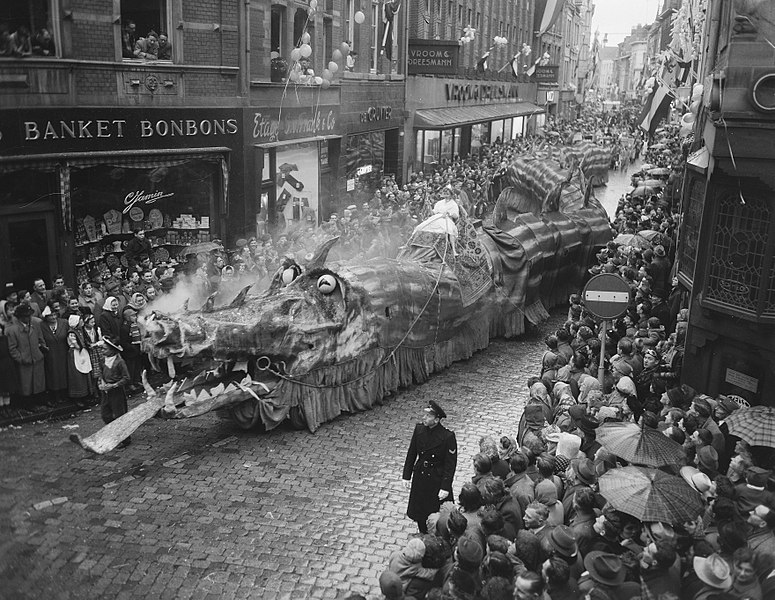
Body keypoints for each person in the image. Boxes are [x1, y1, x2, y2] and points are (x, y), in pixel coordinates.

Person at [402, 400, 457, 533]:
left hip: (436, 478)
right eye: (424, 415)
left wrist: (445, 486)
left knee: (435, 511)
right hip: (421, 475)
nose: (424, 418)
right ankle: (422, 531)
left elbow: (450, 464)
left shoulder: (447, 437)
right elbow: (412, 453)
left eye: (428, 416)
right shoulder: (419, 430)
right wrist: (406, 476)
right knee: (419, 511)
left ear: (437, 420)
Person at [6, 303, 47, 410]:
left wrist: (41, 351)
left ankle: (39, 402)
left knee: (38, 383)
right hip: (25, 362)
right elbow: (12, 348)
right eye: (25, 316)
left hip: (37, 359)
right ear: (20, 317)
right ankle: (28, 405)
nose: (28, 318)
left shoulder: (34, 326)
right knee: (26, 385)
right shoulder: (13, 330)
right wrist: (21, 359)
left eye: (29, 315)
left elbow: (40, 339)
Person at [98, 337, 131, 447]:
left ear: (112, 350)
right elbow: (101, 373)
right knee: (105, 414)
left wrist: (114, 385)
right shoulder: (103, 360)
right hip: (106, 392)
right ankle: (114, 431)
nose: (102, 351)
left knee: (120, 415)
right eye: (102, 349)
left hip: (117, 392)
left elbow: (126, 378)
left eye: (105, 349)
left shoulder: (120, 362)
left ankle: (125, 439)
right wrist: (102, 383)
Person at [40, 305, 69, 406]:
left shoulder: (64, 323)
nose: (53, 317)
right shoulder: (42, 325)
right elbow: (40, 338)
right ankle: (56, 395)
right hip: (50, 353)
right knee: (53, 375)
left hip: (63, 352)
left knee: (63, 372)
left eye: (54, 314)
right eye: (50, 315)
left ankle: (64, 394)